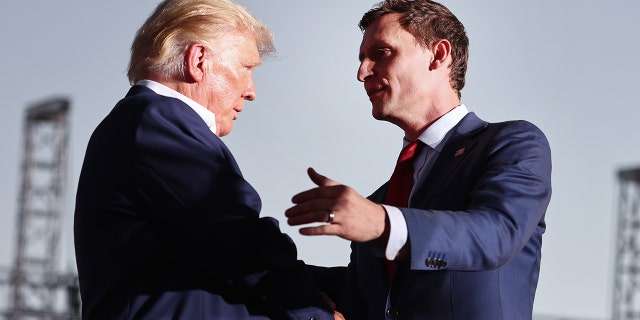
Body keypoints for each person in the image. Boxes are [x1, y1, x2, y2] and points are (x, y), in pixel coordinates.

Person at [285, 0, 552, 319]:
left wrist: (382, 223)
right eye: (361, 59)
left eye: (381, 54)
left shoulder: (511, 143)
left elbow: (496, 232)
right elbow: (365, 299)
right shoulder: (380, 200)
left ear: (438, 55)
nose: (362, 73)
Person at [73, 0, 337, 319]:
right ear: (198, 60)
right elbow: (238, 238)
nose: (251, 91)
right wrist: (316, 314)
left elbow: (213, 261)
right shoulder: (156, 119)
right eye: (246, 67)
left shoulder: (142, 122)